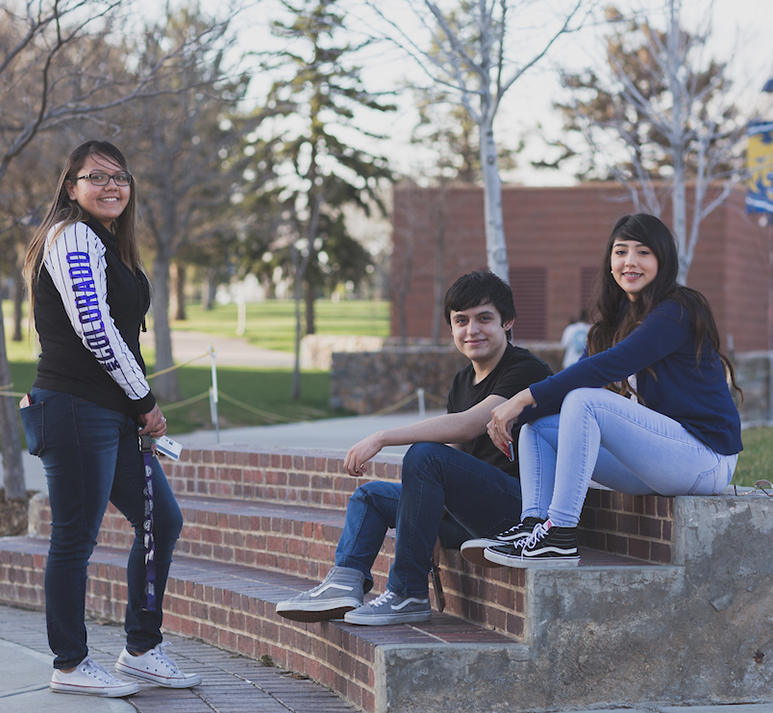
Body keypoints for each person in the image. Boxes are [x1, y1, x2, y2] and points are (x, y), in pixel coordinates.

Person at [20, 140, 201, 696]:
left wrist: (131, 405)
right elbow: (95, 330)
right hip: (75, 408)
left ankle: (142, 649)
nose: (110, 186)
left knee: (161, 521)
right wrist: (144, 399)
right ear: (70, 186)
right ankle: (70, 664)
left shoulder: (110, 244)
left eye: (119, 176)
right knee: (75, 537)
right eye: (95, 177)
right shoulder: (72, 235)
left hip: (109, 412)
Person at [276, 271, 552, 626]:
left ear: (507, 322)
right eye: (461, 321)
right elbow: (453, 453)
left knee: (423, 455)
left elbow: (470, 424)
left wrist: (382, 437)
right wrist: (430, 517)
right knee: (371, 498)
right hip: (468, 515)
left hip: (516, 513)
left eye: (485, 319)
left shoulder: (524, 369)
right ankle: (344, 585)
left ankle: (407, 592)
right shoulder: (463, 380)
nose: (472, 331)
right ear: (451, 328)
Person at [470, 213, 742, 569]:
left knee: (586, 401)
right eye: (620, 252)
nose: (629, 261)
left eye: (643, 252)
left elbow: (604, 369)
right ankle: (534, 526)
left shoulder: (677, 311)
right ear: (610, 263)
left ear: (663, 260)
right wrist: (519, 416)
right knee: (540, 428)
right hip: (660, 459)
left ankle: (561, 533)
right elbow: (574, 377)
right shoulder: (612, 323)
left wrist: (521, 399)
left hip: (705, 459)